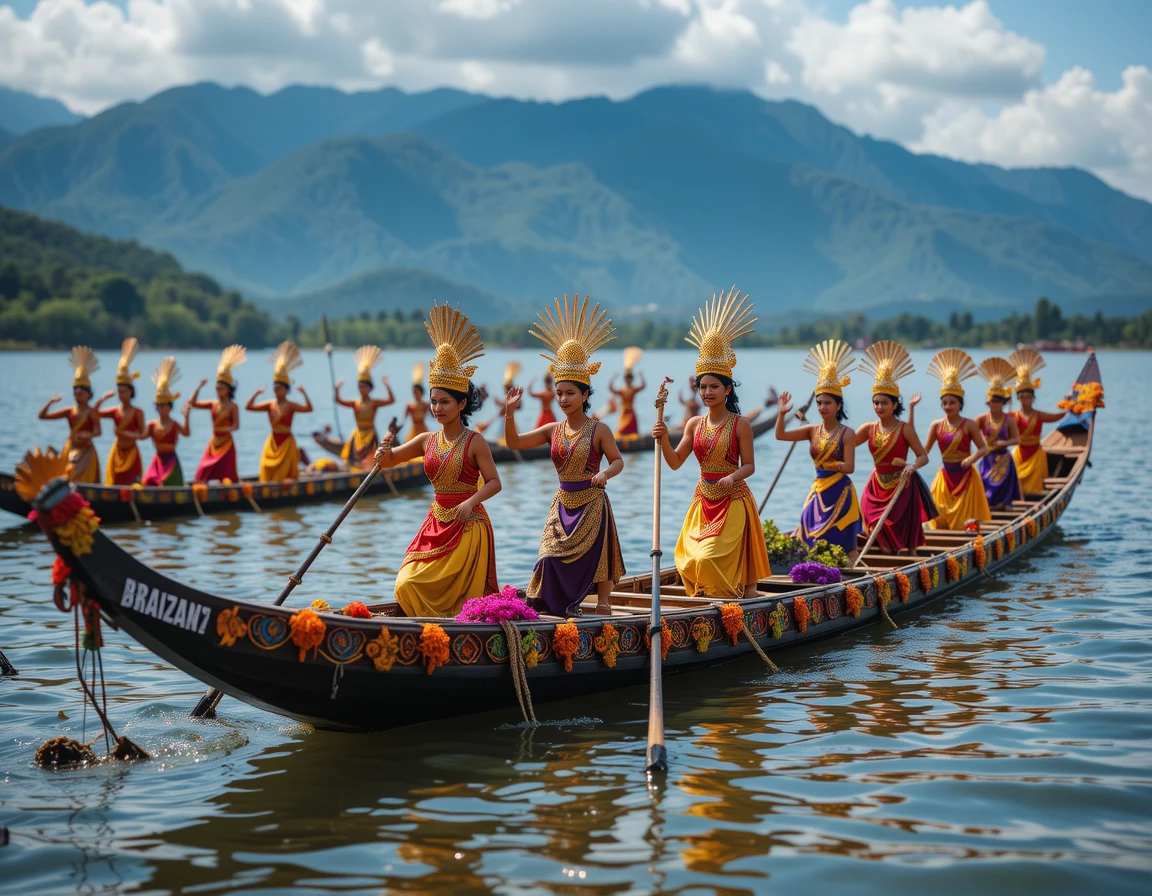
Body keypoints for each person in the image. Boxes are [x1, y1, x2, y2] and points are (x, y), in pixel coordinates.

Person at [373, 304, 501, 617]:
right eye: (433, 401)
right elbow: (389, 462)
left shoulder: (475, 442)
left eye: (444, 402)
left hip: (467, 525)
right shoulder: (425, 440)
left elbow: (495, 482)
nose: (437, 408)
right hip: (435, 522)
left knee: (462, 605)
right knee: (405, 583)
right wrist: (382, 454)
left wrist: (470, 503)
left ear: (461, 404)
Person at [505, 294, 626, 616]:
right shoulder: (552, 430)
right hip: (562, 502)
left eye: (570, 393)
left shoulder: (599, 429)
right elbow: (514, 442)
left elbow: (618, 461)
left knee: (600, 554)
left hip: (591, 500)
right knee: (548, 555)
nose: (563, 399)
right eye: (559, 393)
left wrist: (604, 474)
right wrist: (509, 413)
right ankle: (552, 605)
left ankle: (603, 603)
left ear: (585, 394)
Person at [654, 287, 770, 598]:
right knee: (688, 560)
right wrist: (664, 438)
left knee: (708, 558)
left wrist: (731, 476)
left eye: (714, 386)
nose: (707, 392)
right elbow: (676, 462)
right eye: (702, 387)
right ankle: (710, 598)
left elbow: (749, 466)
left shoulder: (740, 425)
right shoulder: (693, 424)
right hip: (702, 500)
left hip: (732, 499)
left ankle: (734, 597)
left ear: (728, 389)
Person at [777, 339, 862, 563]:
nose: (822, 407)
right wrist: (781, 414)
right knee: (809, 533)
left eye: (827, 403)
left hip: (840, 491)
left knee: (846, 544)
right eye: (819, 403)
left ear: (839, 406)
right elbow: (781, 435)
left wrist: (835, 466)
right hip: (818, 489)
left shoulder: (848, 434)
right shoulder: (812, 430)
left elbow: (850, 467)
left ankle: (851, 577)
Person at [854, 341, 937, 555]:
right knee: (871, 519)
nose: (879, 407)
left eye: (884, 403)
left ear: (894, 405)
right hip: (876, 485)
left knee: (902, 533)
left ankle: (904, 557)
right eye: (876, 402)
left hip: (901, 483)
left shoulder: (905, 429)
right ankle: (884, 552)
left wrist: (912, 466)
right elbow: (844, 444)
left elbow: (923, 457)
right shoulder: (867, 428)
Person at [925, 348, 991, 529]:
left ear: (960, 404)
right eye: (944, 403)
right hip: (945, 476)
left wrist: (971, 459)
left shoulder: (969, 424)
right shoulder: (936, 425)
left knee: (965, 523)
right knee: (939, 517)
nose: (947, 406)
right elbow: (925, 451)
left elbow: (983, 448)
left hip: (966, 476)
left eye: (952, 402)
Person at [247, 342, 312, 483]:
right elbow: (249, 407)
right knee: (266, 465)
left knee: (285, 474)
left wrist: (304, 393)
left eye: (280, 387)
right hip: (273, 441)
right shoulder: (269, 404)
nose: (277, 389)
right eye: (275, 387)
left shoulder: (291, 405)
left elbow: (309, 409)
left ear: (286, 389)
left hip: (287, 442)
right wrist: (256, 394)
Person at [39, 346, 102, 483]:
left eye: (81, 394)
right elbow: (43, 416)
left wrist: (88, 435)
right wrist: (50, 402)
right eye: (75, 393)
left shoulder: (92, 412)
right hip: (70, 448)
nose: (77, 396)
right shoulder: (69, 411)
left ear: (89, 395)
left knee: (85, 479)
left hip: (87, 451)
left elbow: (98, 431)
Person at [1007, 348, 1063, 494]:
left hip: (1035, 455)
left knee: (1035, 488)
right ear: (1018, 398)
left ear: (1033, 397)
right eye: (1021, 396)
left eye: (1027, 396)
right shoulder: (1013, 416)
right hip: (1020, 453)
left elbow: (1056, 417)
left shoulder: (1039, 415)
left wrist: (1070, 408)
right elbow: (999, 421)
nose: (1025, 399)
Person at [189, 345, 246, 484]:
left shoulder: (233, 406)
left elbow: (236, 426)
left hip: (226, 443)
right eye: (217, 387)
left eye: (221, 387)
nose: (218, 389)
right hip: (214, 442)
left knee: (227, 477)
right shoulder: (212, 404)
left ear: (228, 390)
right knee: (202, 471)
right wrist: (199, 387)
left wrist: (225, 429)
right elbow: (193, 403)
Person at [334, 345, 394, 471]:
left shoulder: (374, 403)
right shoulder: (355, 403)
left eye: (364, 387)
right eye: (360, 387)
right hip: (358, 435)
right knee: (354, 462)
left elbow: (391, 400)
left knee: (370, 462)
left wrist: (387, 385)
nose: (362, 389)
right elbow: (339, 401)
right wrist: (337, 389)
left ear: (370, 388)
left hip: (370, 435)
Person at [95, 338, 146, 485]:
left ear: (130, 392)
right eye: (119, 391)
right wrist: (102, 399)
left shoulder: (138, 412)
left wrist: (126, 434)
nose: (121, 394)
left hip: (132, 453)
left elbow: (142, 434)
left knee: (131, 485)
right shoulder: (114, 411)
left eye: (124, 391)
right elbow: (94, 413)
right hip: (117, 452)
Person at [975, 357, 1022, 510]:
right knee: (984, 483)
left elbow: (1016, 439)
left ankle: (1003, 505)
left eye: (996, 401)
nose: (992, 404)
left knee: (1002, 486)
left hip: (1003, 458)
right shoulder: (982, 418)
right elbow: (968, 433)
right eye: (990, 401)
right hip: (987, 457)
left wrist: (1004, 443)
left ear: (1003, 402)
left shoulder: (1009, 420)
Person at [142, 357, 191, 487]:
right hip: (158, 460)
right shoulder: (152, 425)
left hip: (171, 461)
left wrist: (186, 416)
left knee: (169, 483)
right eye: (159, 405)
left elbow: (186, 433)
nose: (162, 408)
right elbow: (141, 436)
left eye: (164, 405)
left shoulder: (174, 424)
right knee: (148, 482)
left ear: (170, 407)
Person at [610, 347, 645, 438]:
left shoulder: (633, 389)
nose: (628, 380)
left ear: (631, 380)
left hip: (631, 411)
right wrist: (613, 378)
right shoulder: (622, 391)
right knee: (622, 430)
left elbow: (643, 386)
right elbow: (612, 389)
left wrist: (641, 376)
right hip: (624, 412)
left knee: (632, 431)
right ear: (625, 380)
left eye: (629, 379)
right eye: (627, 379)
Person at [403, 364, 430, 442]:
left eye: (417, 391)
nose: (415, 393)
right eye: (414, 391)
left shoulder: (425, 405)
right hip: (414, 429)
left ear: (421, 392)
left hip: (423, 428)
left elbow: (434, 416)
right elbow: (404, 420)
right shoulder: (410, 405)